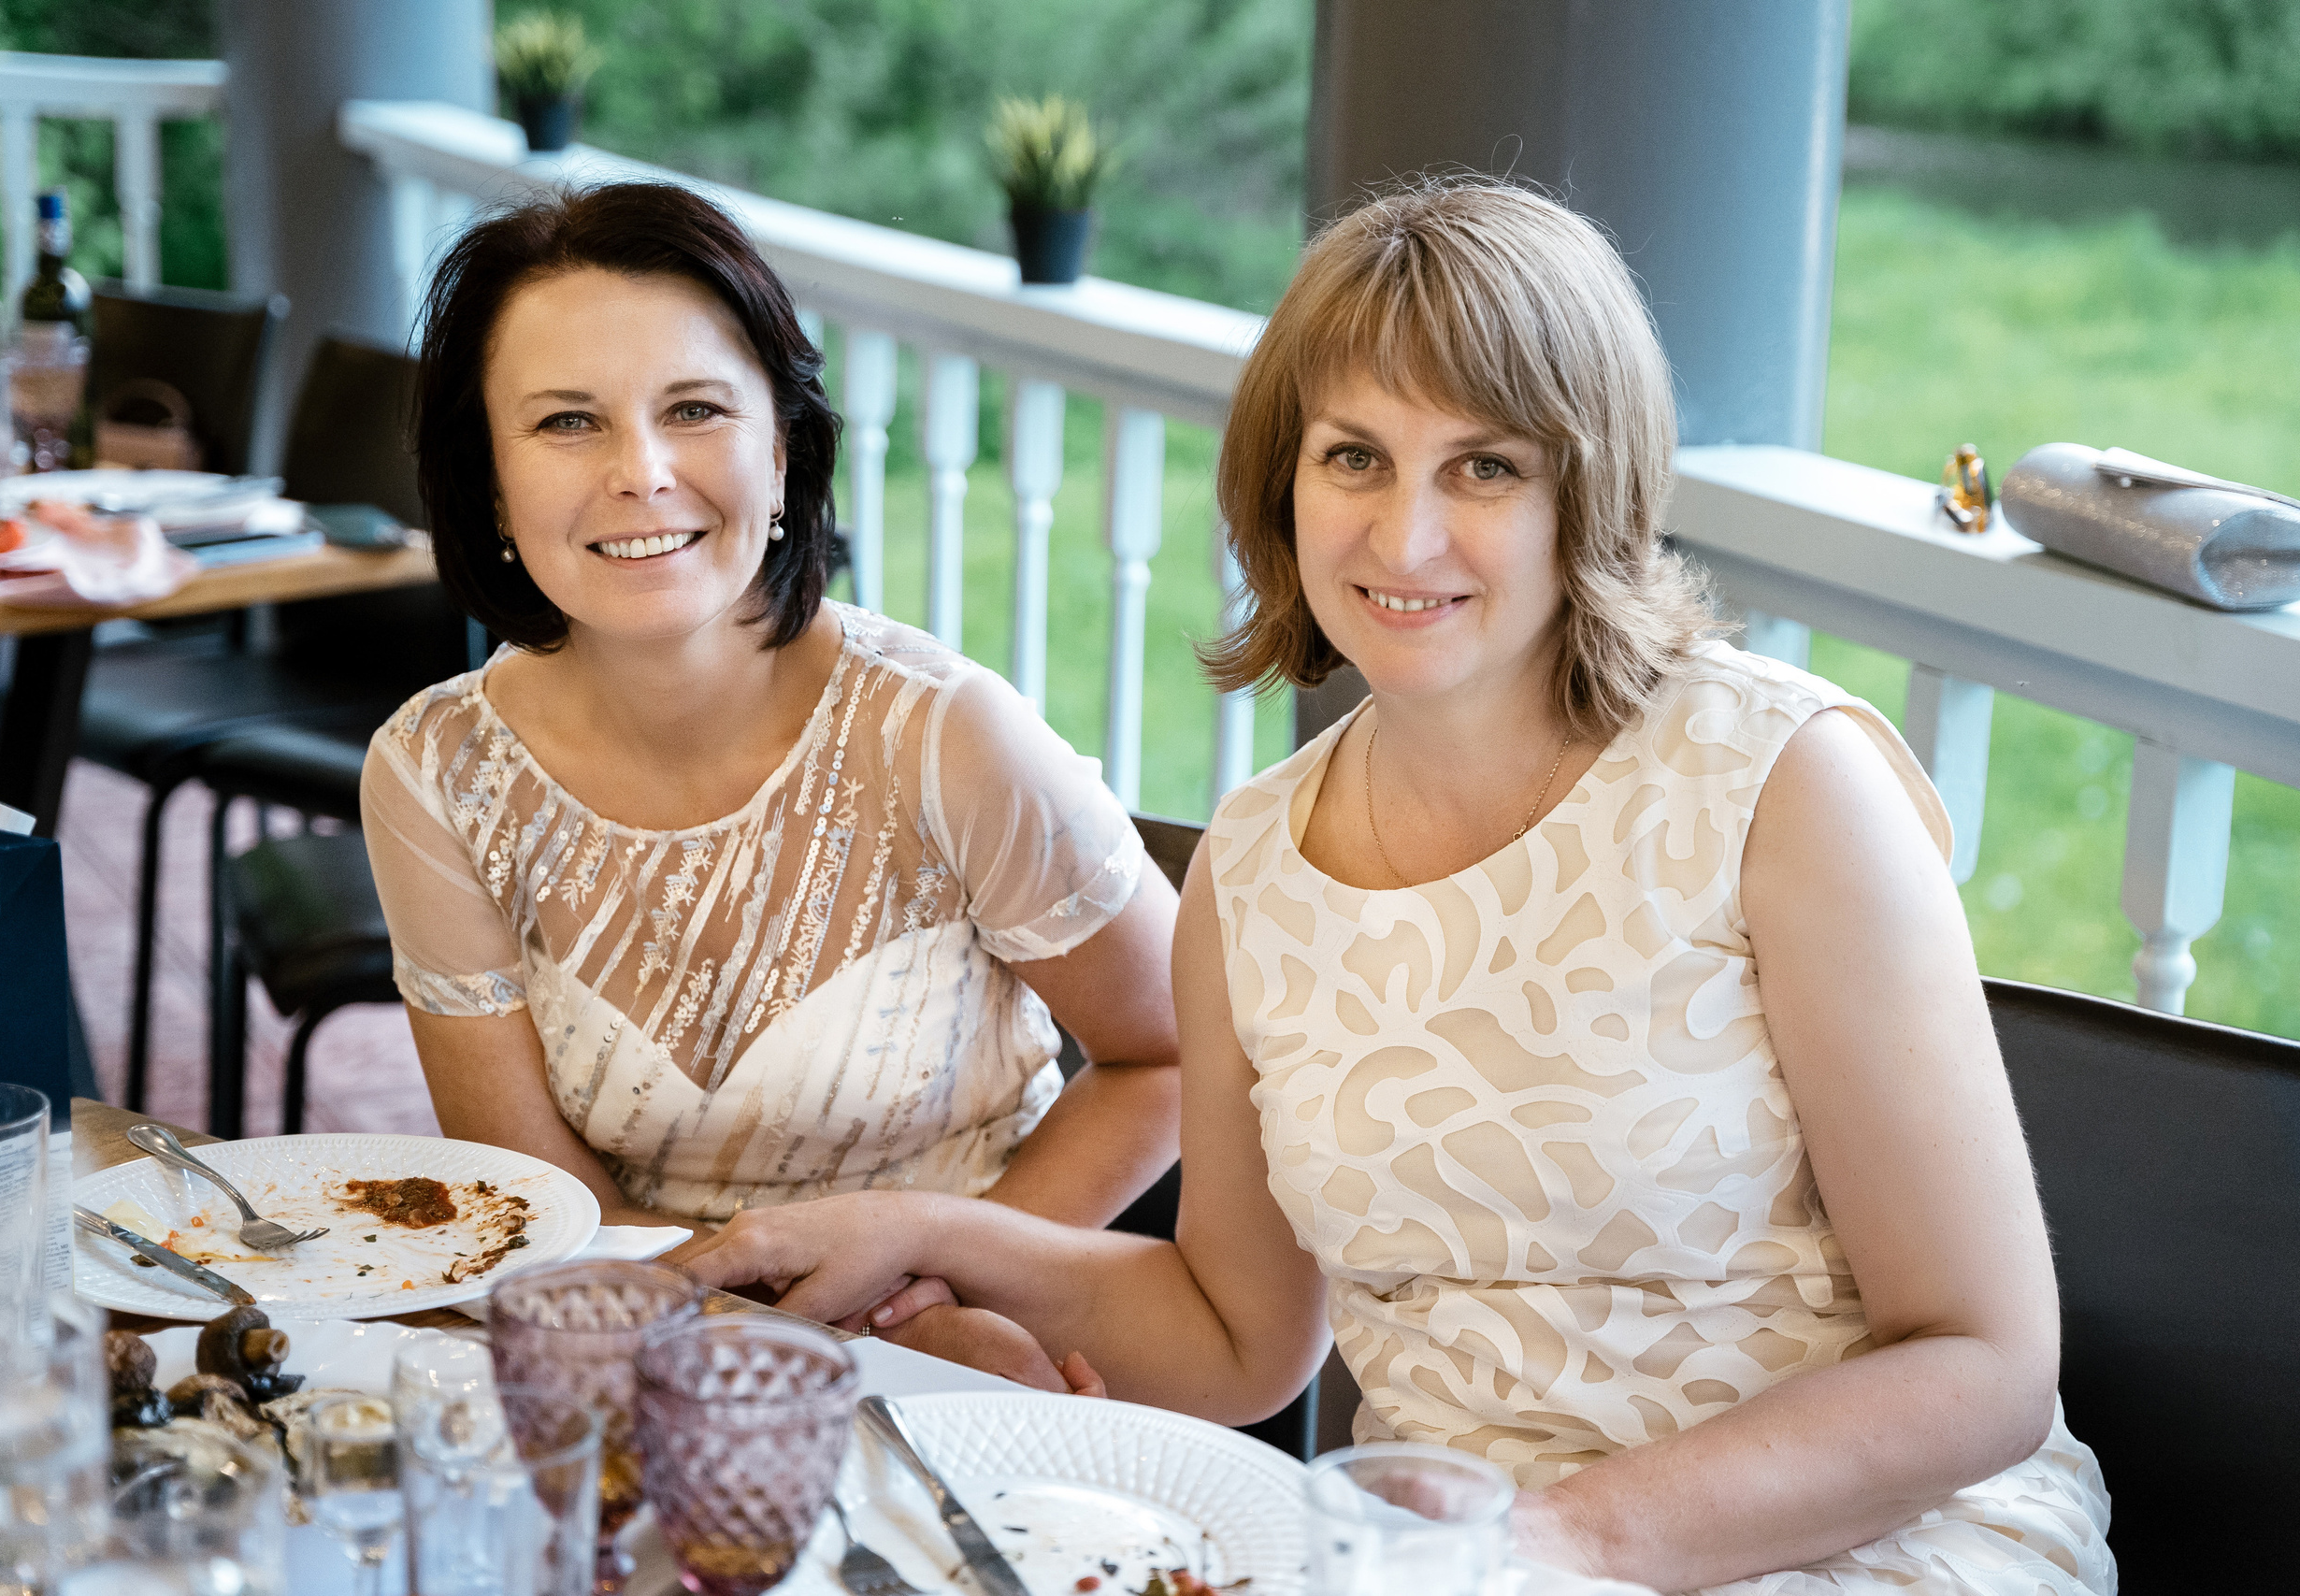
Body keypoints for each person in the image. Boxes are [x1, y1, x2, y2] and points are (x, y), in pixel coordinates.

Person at [683, 178, 2116, 1593]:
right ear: (1282, 478)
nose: (1404, 536)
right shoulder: (1252, 866)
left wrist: (1548, 1543)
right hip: (1446, 1558)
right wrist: (934, 1233)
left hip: (1875, 1541)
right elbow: (1238, 1339)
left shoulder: (1780, 784)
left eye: (1483, 466)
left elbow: (1982, 1364)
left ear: (1586, 487)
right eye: (1354, 457)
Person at [359, 183, 1180, 1385]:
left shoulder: (946, 737)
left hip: (960, 1354)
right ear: (486, 483)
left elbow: (1170, 1055)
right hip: (639, 1362)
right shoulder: (438, 773)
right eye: (566, 423)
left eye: (694, 409)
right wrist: (745, 1356)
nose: (640, 472)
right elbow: (543, 1202)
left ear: (784, 449)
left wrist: (954, 1277)